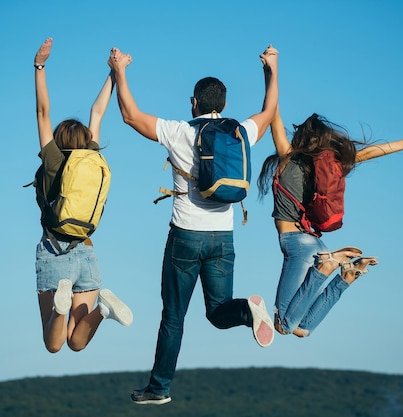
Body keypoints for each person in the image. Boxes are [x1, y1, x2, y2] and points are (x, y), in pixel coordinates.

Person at [107, 45, 279, 405]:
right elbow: (268, 110)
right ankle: (248, 310)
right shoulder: (240, 132)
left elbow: (130, 115)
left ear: (194, 102)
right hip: (223, 239)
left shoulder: (179, 131)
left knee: (173, 317)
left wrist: (120, 70)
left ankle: (159, 388)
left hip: (185, 237)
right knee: (218, 312)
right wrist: (270, 70)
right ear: (225, 105)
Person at [258, 108, 403, 338]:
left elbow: (272, 112)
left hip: (297, 245)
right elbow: (368, 153)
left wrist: (270, 76)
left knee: (283, 325)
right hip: (315, 245)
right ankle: (346, 276)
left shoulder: (287, 157)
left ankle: (327, 266)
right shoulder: (326, 166)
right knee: (302, 329)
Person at [33, 37, 133, 354]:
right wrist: (114, 72)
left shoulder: (52, 159)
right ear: (84, 140)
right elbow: (98, 111)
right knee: (78, 343)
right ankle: (102, 310)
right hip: (87, 252)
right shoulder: (90, 155)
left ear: (59, 139)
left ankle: (61, 309)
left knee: (55, 344)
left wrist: (39, 66)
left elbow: (42, 111)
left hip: (54, 250)